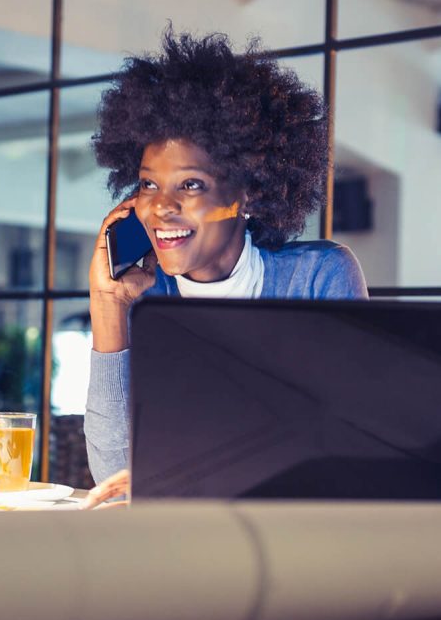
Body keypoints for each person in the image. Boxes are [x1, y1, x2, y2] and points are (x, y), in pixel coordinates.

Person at [83, 30, 368, 496]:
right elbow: (113, 473)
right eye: (149, 186)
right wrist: (107, 305)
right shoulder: (144, 296)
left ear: (248, 193)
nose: (160, 207)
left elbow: (345, 456)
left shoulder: (317, 276)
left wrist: (189, 480)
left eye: (190, 185)